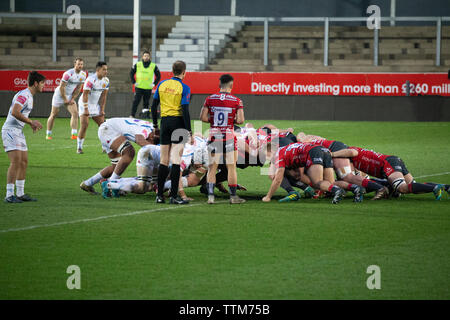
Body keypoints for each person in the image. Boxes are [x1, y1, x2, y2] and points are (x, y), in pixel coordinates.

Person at [80, 117, 157, 197]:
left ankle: (87, 183)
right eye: (152, 142)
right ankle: (112, 184)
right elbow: (140, 140)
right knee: (129, 152)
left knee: (116, 167)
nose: (151, 143)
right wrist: (157, 150)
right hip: (109, 130)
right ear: (152, 137)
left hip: (108, 129)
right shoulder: (147, 131)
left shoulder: (151, 128)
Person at [150, 60, 192, 205]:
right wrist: (189, 130)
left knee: (163, 160)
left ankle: (159, 195)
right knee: (175, 160)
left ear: (172, 71)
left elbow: (153, 106)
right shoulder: (184, 87)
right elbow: (185, 110)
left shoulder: (162, 84)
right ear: (184, 72)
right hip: (178, 123)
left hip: (165, 123)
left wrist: (155, 124)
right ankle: (174, 196)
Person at [200, 74, 246, 204]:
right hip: (229, 137)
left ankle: (210, 197)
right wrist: (232, 120)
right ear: (231, 85)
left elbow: (203, 118)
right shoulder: (237, 101)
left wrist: (213, 120)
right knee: (231, 167)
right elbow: (241, 120)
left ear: (219, 85)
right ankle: (233, 197)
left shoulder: (209, 99)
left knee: (212, 168)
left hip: (214, 136)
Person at [2, 71, 45, 203]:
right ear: (36, 83)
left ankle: (20, 193)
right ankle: (9, 195)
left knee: (24, 162)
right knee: (15, 162)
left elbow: (20, 114)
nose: (44, 86)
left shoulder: (30, 96)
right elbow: (15, 111)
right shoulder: (24, 95)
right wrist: (31, 122)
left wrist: (28, 123)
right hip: (10, 130)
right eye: (42, 83)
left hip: (18, 131)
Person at [263, 142, 347, 204]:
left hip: (313, 152)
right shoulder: (285, 149)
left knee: (317, 182)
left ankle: (337, 190)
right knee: (330, 183)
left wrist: (268, 197)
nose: (267, 159)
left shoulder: (278, 155)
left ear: (271, 151)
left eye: (266, 155)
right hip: (323, 150)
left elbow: (278, 179)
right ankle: (354, 188)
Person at [348, 146, 446, 200]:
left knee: (402, 188)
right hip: (393, 160)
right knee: (413, 186)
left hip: (388, 164)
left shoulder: (349, 155)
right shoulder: (356, 154)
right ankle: (446, 187)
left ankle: (434, 188)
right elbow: (362, 176)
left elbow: (357, 177)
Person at [46, 58, 86, 140]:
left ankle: (74, 135)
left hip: (69, 95)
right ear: (75, 64)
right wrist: (65, 99)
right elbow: (62, 87)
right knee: (54, 114)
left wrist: (72, 98)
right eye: (78, 64)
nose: (80, 66)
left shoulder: (83, 75)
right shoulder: (68, 74)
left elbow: (78, 88)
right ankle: (48, 134)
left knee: (75, 113)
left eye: (81, 64)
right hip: (59, 95)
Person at [77, 61, 109, 154]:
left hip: (95, 106)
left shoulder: (106, 81)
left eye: (106, 70)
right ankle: (79, 147)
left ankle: (104, 147)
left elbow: (104, 96)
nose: (106, 71)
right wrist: (86, 109)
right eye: (104, 70)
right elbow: (85, 95)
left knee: (103, 125)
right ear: (98, 70)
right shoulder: (90, 80)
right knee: (85, 125)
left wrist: (102, 110)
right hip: (84, 103)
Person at [130, 50, 161, 118]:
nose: (146, 57)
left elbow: (159, 75)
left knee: (146, 103)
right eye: (145, 56)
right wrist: (134, 82)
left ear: (149, 57)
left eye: (147, 56)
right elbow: (131, 73)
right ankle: (132, 115)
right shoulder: (138, 64)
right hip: (139, 87)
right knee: (136, 101)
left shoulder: (153, 66)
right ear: (142, 57)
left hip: (148, 87)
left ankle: (145, 115)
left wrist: (154, 84)